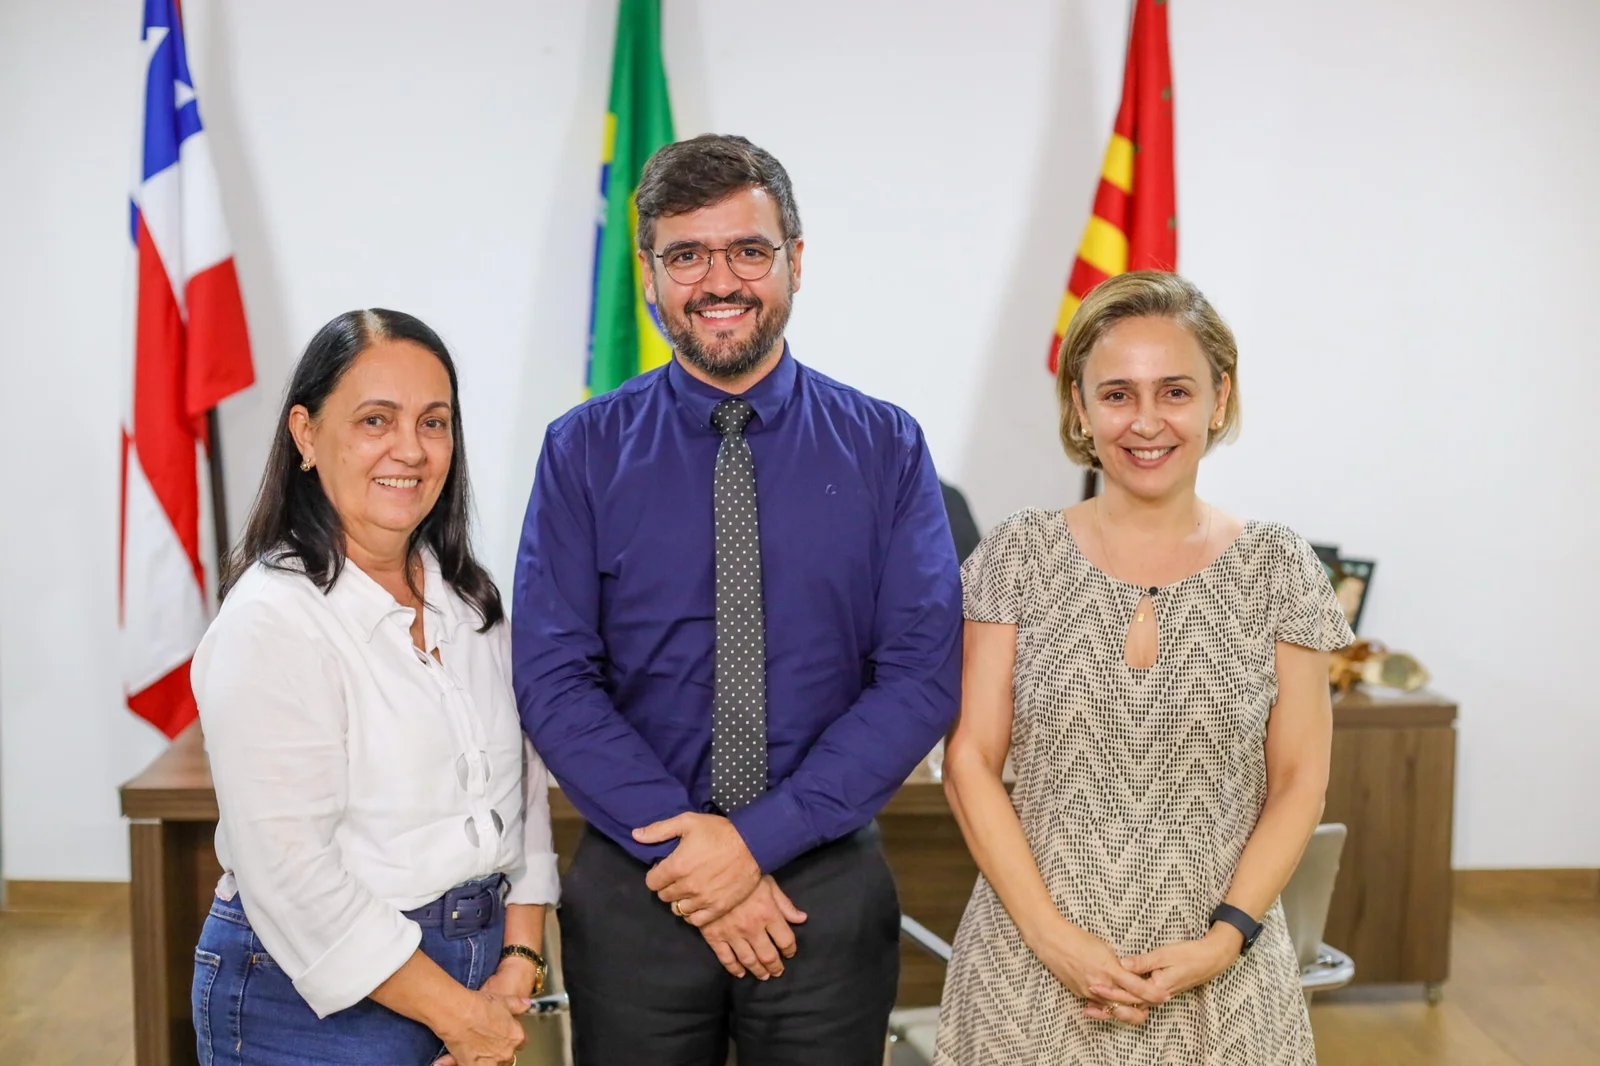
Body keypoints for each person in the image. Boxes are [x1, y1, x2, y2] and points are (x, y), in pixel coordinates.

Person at [513, 134, 962, 1065]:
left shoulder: (886, 448)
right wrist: (700, 858)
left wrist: (756, 842)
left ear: (795, 259)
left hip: (824, 886)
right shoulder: (581, 451)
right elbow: (554, 678)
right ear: (650, 276)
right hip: (639, 883)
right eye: (686, 255)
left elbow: (920, 675)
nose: (719, 281)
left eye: (747, 251)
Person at [934, 272, 1353, 1065]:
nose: (1148, 421)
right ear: (1079, 408)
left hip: (1223, 983)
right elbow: (970, 762)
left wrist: (1223, 939)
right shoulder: (1017, 555)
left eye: (1175, 391)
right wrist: (1053, 940)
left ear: (1218, 400)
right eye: (1118, 394)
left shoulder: (1278, 568)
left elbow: (1300, 779)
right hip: (1031, 977)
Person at [190, 309, 559, 1066]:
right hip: (307, 1004)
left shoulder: (472, 600)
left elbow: (518, 796)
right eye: (374, 420)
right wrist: (459, 1016)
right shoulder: (272, 621)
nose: (411, 450)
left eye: (434, 422)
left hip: (479, 974)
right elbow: (291, 871)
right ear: (305, 434)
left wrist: (517, 965)